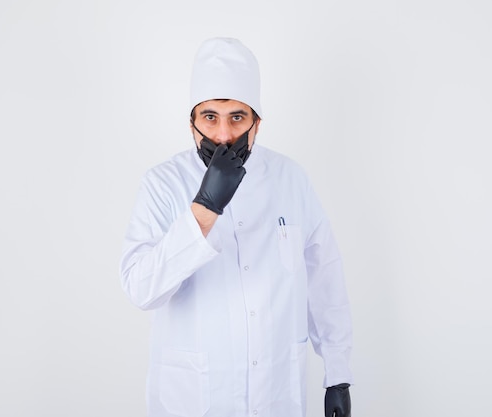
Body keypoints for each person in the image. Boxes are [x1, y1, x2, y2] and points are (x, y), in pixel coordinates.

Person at [120, 37, 354, 417]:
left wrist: (337, 373)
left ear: (257, 121)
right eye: (210, 117)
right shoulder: (162, 184)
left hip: (277, 394)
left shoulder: (291, 179)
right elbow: (141, 290)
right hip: (195, 397)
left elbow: (324, 279)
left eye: (237, 117)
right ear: (192, 122)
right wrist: (204, 209)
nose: (224, 136)